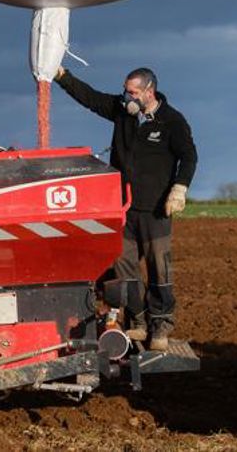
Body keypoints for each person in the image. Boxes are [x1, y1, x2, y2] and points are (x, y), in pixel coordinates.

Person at [54, 66, 198, 351]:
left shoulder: (172, 121)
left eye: (132, 92)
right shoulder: (122, 112)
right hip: (124, 209)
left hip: (157, 211)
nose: (126, 96)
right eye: (125, 91)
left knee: (160, 270)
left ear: (149, 92)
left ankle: (160, 327)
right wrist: (62, 76)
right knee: (124, 267)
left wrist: (179, 189)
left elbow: (189, 156)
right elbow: (90, 98)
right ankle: (139, 322)